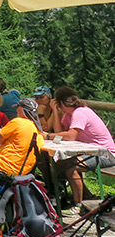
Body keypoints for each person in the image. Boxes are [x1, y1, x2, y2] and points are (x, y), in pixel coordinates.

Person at [48, 86, 115, 215]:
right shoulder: (69, 114)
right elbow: (60, 132)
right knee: (61, 164)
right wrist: (55, 111)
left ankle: (78, 205)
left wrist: (49, 136)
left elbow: (71, 136)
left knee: (72, 169)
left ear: (61, 102)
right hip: (90, 152)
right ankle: (85, 197)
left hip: (106, 154)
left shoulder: (80, 113)